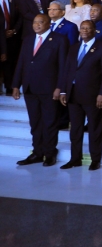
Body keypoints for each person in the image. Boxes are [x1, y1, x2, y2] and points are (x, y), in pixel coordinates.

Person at [12, 14, 68, 166]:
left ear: (49, 24)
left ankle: (50, 153)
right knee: (35, 122)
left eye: (41, 22)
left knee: (50, 122)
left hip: (49, 89)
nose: (36, 25)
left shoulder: (59, 40)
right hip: (30, 87)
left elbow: (64, 66)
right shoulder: (28, 39)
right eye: (35, 22)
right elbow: (22, 62)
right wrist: (16, 84)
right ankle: (37, 152)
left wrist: (60, 88)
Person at [56, 20, 102, 170]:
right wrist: (63, 90)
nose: (85, 30)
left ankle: (95, 159)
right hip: (74, 95)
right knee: (75, 128)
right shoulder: (74, 47)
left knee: (95, 128)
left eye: (88, 28)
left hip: (94, 96)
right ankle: (75, 158)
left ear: (95, 31)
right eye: (82, 28)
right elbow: (67, 70)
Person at [0, 0, 23, 96]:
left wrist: (14, 31)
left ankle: (10, 87)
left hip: (12, 36)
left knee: (11, 62)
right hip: (0, 37)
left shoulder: (14, 0)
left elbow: (20, 17)